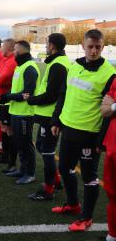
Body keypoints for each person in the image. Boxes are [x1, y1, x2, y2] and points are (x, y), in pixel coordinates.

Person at [51, 29, 116, 232]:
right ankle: (72, 204)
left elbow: (108, 112)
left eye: (98, 47)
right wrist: (56, 120)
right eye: (90, 46)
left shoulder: (109, 74)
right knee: (64, 168)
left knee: (89, 176)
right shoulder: (74, 66)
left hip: (89, 133)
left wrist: (100, 141)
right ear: (83, 46)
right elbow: (63, 93)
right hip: (68, 128)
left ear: (103, 47)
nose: (94, 51)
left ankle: (86, 218)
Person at [23, 33, 70, 201]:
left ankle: (49, 189)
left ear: (52, 46)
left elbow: (51, 95)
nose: (45, 46)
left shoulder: (58, 65)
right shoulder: (57, 62)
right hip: (46, 115)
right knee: (42, 147)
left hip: (51, 116)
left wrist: (31, 99)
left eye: (46, 43)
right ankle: (56, 181)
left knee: (48, 151)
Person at [0, 40, 40, 185]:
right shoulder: (20, 66)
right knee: (19, 142)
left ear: (21, 51)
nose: (13, 52)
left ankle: (30, 173)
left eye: (15, 49)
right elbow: (17, 90)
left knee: (26, 144)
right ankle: (22, 169)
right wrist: (7, 96)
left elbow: (27, 94)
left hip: (25, 114)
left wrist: (8, 96)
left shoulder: (30, 68)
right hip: (15, 111)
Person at [0, 39, 18, 169]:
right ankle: (5, 154)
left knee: (8, 130)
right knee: (4, 128)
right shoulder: (4, 60)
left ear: (8, 49)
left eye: (3, 47)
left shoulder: (12, 61)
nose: (1, 49)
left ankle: (9, 157)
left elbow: (0, 80)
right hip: (1, 98)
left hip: (7, 100)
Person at [100, 82, 116, 241]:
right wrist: (111, 107)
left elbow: (110, 108)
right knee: (112, 193)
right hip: (112, 143)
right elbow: (104, 110)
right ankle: (112, 234)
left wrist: (113, 107)